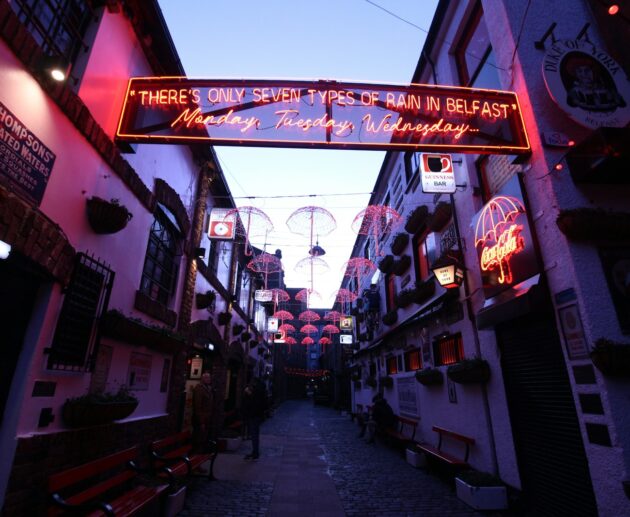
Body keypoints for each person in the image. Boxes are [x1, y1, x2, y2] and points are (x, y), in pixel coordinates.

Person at [242, 377, 267, 460]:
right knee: (255, 434)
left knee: (254, 434)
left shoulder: (257, 391)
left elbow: (254, 402)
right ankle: (255, 451)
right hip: (258, 415)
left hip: (254, 415)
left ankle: (255, 452)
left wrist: (248, 394)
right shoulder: (262, 390)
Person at [192, 371, 214, 453]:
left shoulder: (208, 388)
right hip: (202, 419)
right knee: (199, 439)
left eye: (209, 377)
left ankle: (201, 455)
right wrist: (201, 421)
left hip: (208, 418)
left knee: (204, 437)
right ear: (203, 378)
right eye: (207, 377)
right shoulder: (199, 389)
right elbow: (198, 406)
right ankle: (196, 456)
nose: (209, 379)